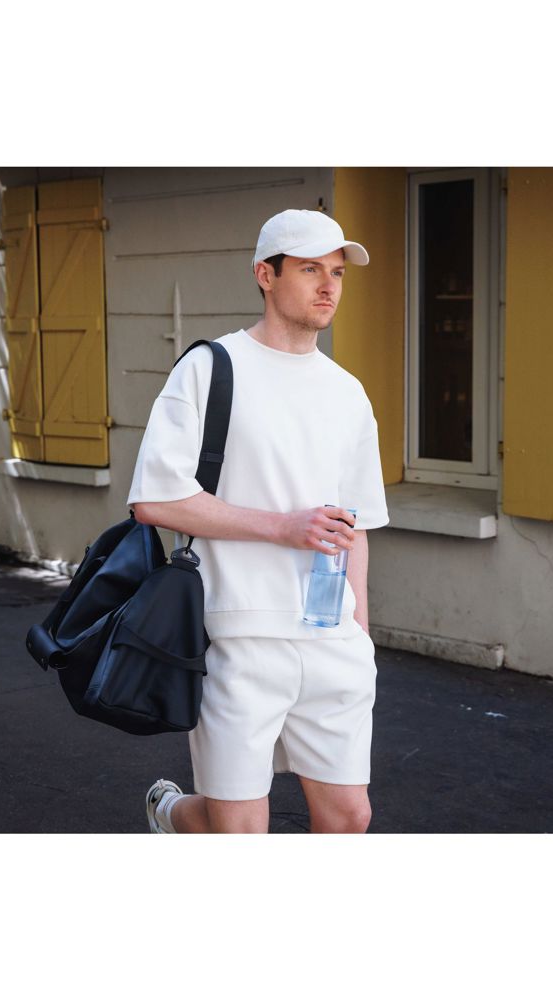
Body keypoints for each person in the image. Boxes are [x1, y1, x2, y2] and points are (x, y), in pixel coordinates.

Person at [126, 208, 388, 833]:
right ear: (265, 275)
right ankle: (175, 815)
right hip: (237, 635)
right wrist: (282, 527)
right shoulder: (210, 368)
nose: (328, 286)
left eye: (336, 272)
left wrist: (360, 631)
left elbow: (356, 525)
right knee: (239, 831)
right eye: (309, 270)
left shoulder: (348, 392)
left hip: (332, 639)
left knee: (349, 818)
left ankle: (179, 818)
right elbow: (154, 500)